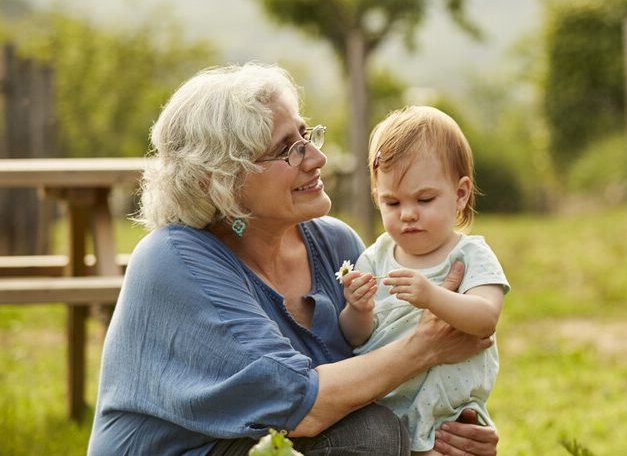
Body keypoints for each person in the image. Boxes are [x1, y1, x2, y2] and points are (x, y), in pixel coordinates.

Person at [88, 64, 499, 456]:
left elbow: (378, 368)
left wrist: (451, 427)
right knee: (369, 436)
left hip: (279, 445)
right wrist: (425, 347)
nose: (317, 159)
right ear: (219, 182)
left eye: (307, 136)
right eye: (288, 150)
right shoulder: (173, 260)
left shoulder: (336, 244)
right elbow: (301, 405)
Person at [339, 106, 509, 455]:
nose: (408, 213)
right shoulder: (375, 257)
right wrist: (357, 308)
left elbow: (485, 318)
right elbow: (357, 338)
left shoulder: (470, 256)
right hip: (389, 410)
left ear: (460, 194)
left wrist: (432, 296)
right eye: (392, 202)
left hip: (449, 412)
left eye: (425, 199)